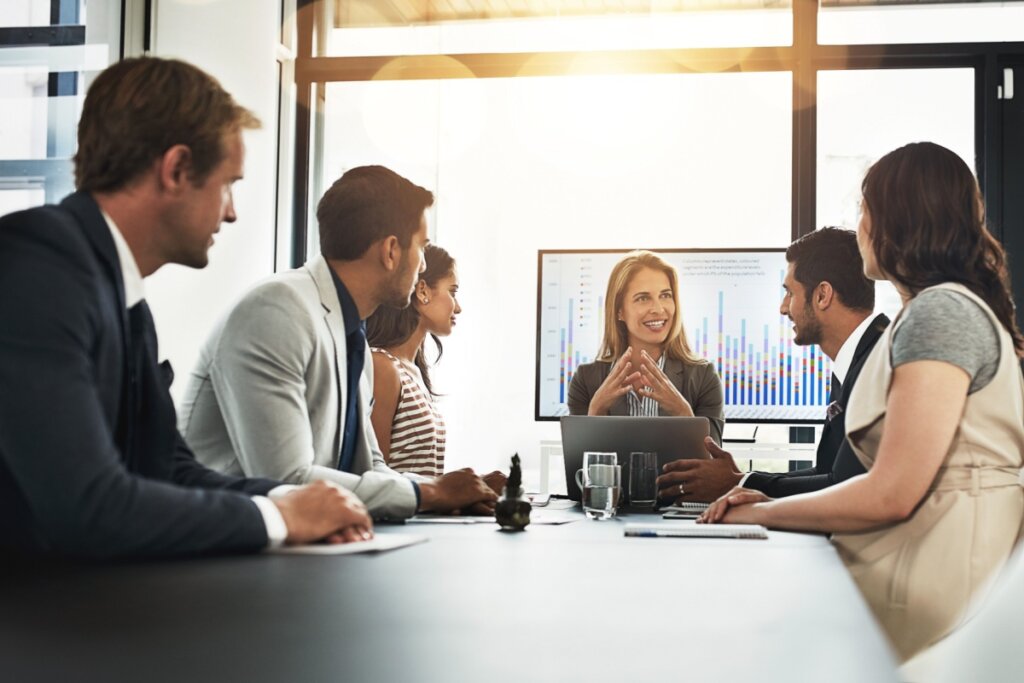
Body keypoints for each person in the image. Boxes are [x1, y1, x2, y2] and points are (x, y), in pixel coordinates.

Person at [0, 57, 372, 559]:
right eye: (228, 184)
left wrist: (294, 502)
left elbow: (168, 469)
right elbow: (88, 506)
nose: (232, 212)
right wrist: (281, 519)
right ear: (176, 170)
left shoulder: (120, 296)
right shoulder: (39, 268)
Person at [701, 142, 1024, 661]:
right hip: (944, 570)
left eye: (863, 209)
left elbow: (892, 491)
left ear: (894, 220)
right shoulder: (939, 309)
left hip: (936, 583)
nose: (859, 228)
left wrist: (761, 515)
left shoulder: (938, 314)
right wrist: (768, 503)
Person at [179, 165, 500, 519]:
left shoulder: (351, 336)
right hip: (229, 542)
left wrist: (454, 491)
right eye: (421, 248)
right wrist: (432, 492)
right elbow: (286, 481)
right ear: (391, 251)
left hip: (302, 540)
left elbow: (371, 469)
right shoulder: (277, 310)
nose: (423, 265)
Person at [655, 228, 889, 503]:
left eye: (790, 292)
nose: (783, 307)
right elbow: (828, 473)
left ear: (822, 295)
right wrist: (742, 480)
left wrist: (737, 483)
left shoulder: (876, 364)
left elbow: (844, 488)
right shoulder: (861, 358)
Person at [567, 250, 725, 448]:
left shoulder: (703, 377)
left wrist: (683, 414)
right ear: (619, 311)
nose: (658, 309)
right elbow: (580, 464)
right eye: (643, 298)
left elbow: (714, 463)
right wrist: (596, 410)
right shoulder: (585, 380)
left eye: (665, 295)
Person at [366, 244, 459, 477]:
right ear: (422, 291)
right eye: (452, 292)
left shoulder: (414, 371)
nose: (458, 308)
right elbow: (374, 477)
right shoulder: (382, 367)